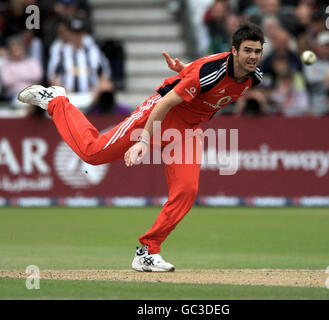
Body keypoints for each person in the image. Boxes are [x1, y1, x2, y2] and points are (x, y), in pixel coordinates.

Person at [17, 22, 264, 272]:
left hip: (187, 129)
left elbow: (203, 77)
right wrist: (144, 140)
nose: (253, 56)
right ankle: (56, 101)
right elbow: (165, 103)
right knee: (92, 153)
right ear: (234, 50)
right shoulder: (212, 72)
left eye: (257, 51)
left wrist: (185, 71)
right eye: (247, 50)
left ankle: (148, 251)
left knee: (187, 190)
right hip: (157, 115)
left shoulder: (253, 78)